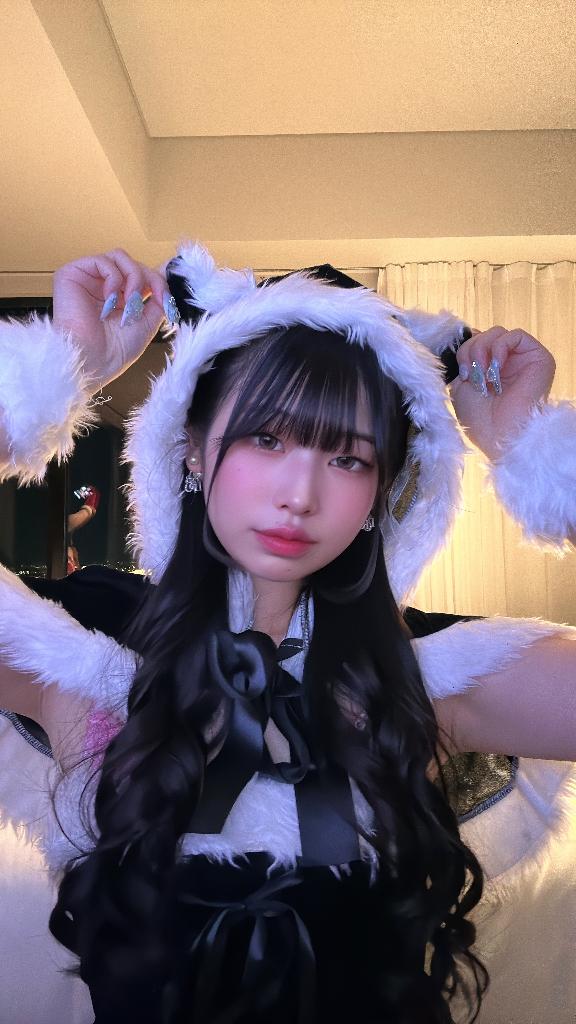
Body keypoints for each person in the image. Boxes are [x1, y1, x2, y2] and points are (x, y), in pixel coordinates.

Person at [0, 243, 575, 1024]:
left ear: (383, 490)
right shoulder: (90, 658)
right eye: (266, 439)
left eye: (349, 458)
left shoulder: (429, 676)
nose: (300, 494)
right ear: (192, 448)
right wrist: (56, 370)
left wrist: (534, 452)